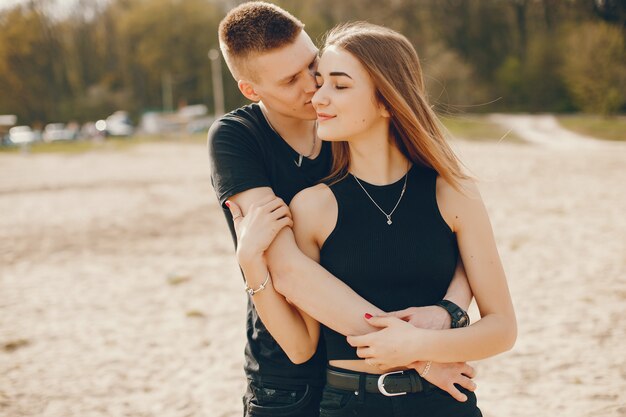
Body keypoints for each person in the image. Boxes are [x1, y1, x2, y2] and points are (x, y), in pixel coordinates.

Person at [209, 3, 477, 416]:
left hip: (371, 369)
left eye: (312, 64)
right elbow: (288, 270)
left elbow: (448, 231)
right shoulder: (238, 138)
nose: (313, 87)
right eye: (290, 80)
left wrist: (450, 310)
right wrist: (417, 358)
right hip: (288, 372)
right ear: (251, 90)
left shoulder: (346, 118)